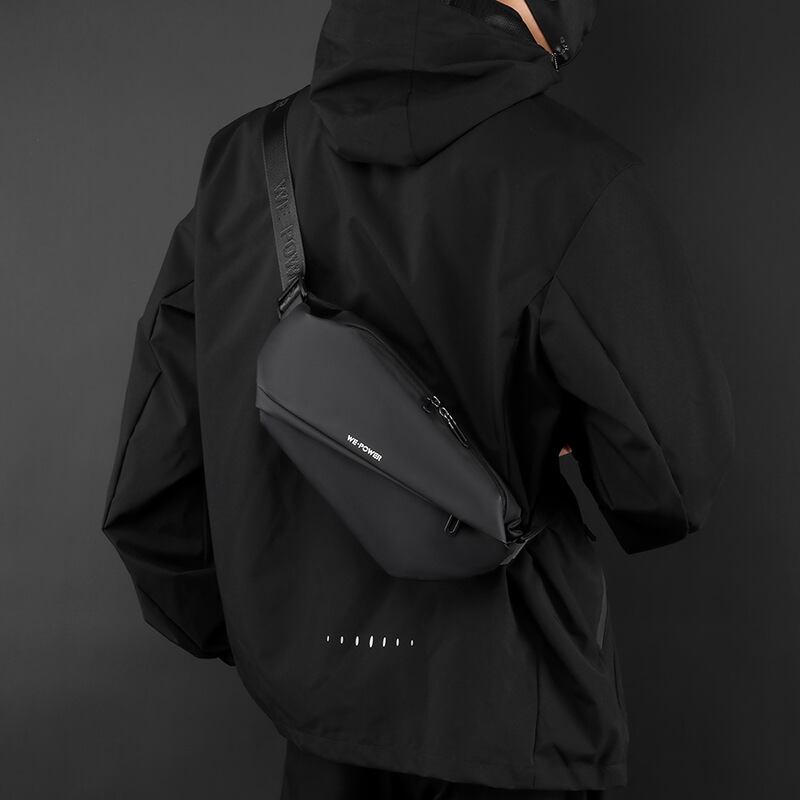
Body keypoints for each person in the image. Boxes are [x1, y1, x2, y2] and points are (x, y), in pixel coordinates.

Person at [102, 1, 736, 798]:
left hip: (319, 729)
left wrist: (283, 641)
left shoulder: (244, 161)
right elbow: (670, 486)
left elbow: (155, 497)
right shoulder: (575, 178)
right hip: (517, 726)